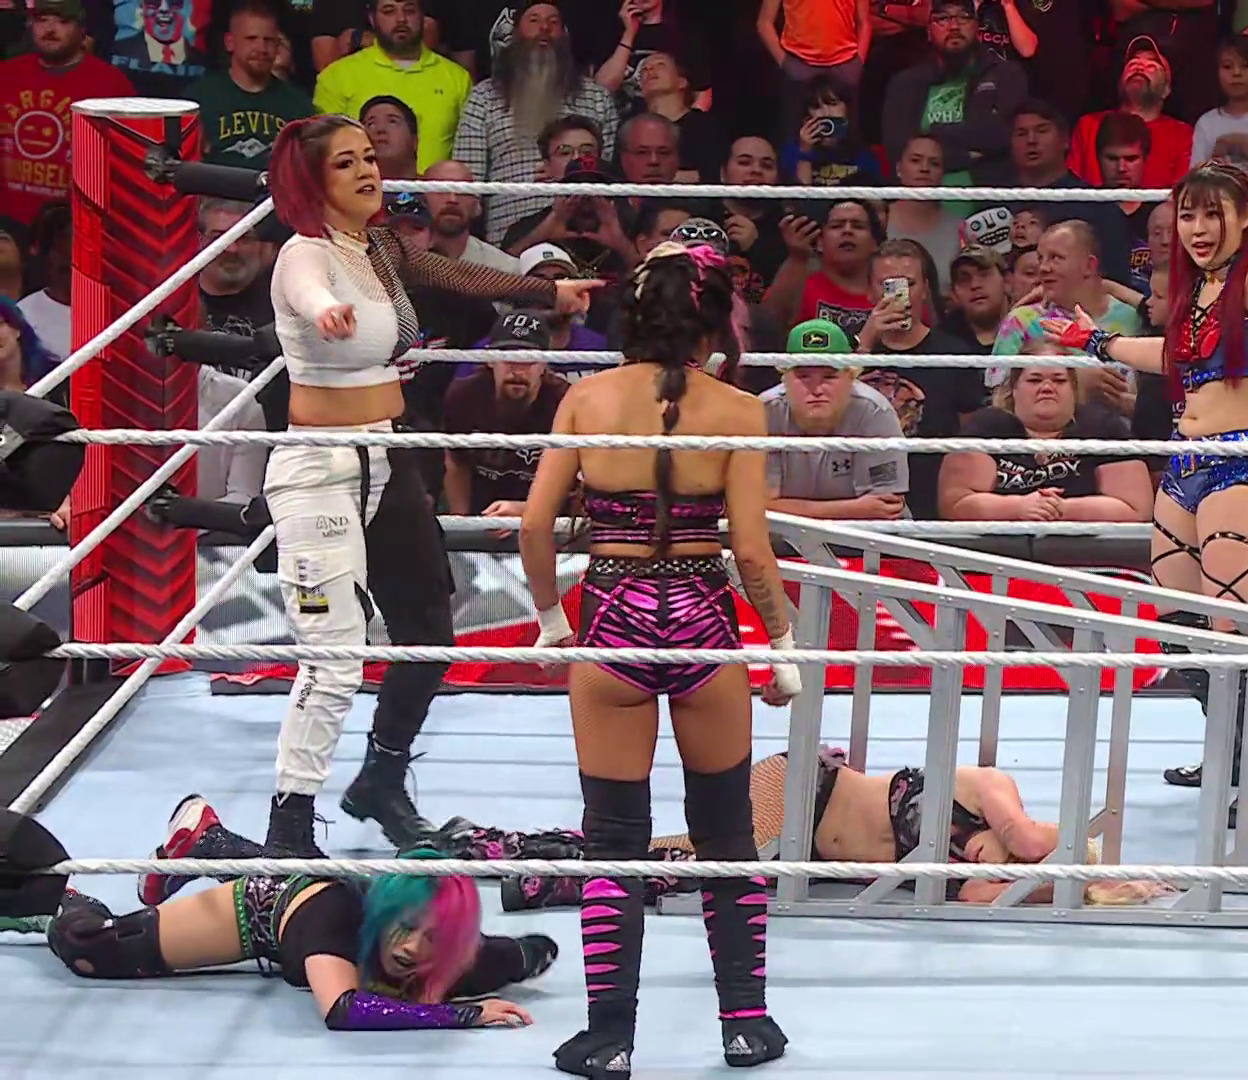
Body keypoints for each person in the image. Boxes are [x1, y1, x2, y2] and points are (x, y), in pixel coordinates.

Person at [262, 114, 600, 859]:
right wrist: (325, 311)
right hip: (318, 470)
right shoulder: (303, 253)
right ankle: (288, 827)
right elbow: (308, 289)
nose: (367, 171)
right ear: (312, 181)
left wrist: (546, 293)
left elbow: (457, 275)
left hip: (386, 461)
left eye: (369, 157)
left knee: (427, 632)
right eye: (345, 162)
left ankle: (381, 779)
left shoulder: (381, 248)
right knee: (334, 657)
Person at [517, 242, 803, 1073]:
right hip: (704, 622)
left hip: (612, 618)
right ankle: (745, 1023)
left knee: (613, 838)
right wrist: (781, 644)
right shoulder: (739, 410)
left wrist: (549, 619)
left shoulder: (586, 398)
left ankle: (609, 1038)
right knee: (726, 834)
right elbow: (751, 550)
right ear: (713, 322)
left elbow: (534, 527)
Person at [1043, 161, 1248, 828]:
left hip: (1241, 462)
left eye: (1213, 213)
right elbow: (1169, 357)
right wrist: (1096, 341)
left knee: (1231, 628)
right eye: (1188, 214)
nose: (1197, 228)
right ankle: (1229, 753)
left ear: (1244, 218)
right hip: (1185, 462)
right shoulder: (1198, 291)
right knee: (1177, 626)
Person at [50, 796, 554, 1031]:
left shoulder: (462, 954)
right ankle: (54, 900)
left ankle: (210, 841)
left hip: (327, 890)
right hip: (270, 911)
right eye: (404, 928)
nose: (410, 949)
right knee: (90, 950)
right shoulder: (335, 919)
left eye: (433, 939)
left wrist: (525, 957)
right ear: (385, 914)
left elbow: (530, 952)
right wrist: (463, 1015)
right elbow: (343, 1010)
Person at [435, 750, 1171, 909]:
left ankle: (514, 856)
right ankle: (505, 853)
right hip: (801, 788)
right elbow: (1035, 845)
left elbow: (989, 895)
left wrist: (1092, 893)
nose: (1003, 863)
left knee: (669, 860)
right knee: (693, 862)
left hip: (800, 844)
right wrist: (1082, 867)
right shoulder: (989, 789)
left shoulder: (977, 875)